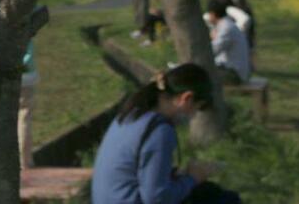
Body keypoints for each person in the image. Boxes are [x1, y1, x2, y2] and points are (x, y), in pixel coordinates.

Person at [92, 63, 241, 204]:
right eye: (196, 108)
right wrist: (193, 178)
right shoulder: (159, 132)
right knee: (225, 199)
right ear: (186, 98)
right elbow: (157, 199)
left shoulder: (133, 112)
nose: (193, 115)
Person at [205, 0, 251, 85]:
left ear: (213, 14)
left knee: (200, 75)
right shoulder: (227, 25)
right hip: (234, 71)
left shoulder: (226, 28)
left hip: (234, 75)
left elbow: (212, 51)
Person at [19, 38, 39, 169]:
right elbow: (28, 57)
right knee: (24, 119)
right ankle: (25, 160)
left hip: (6, 76)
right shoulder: (26, 32)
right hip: (27, 77)